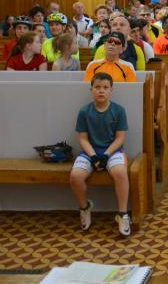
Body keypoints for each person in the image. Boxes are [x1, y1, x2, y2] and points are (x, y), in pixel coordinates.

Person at [69, 72, 132, 237]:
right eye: (97, 87)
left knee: (120, 172)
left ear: (111, 90)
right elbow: (82, 139)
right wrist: (93, 156)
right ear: (91, 90)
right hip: (90, 152)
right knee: (75, 176)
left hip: (113, 151)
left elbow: (120, 138)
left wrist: (105, 155)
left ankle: (123, 214)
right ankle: (84, 208)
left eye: (105, 87)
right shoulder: (84, 112)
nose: (101, 90)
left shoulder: (119, 111)